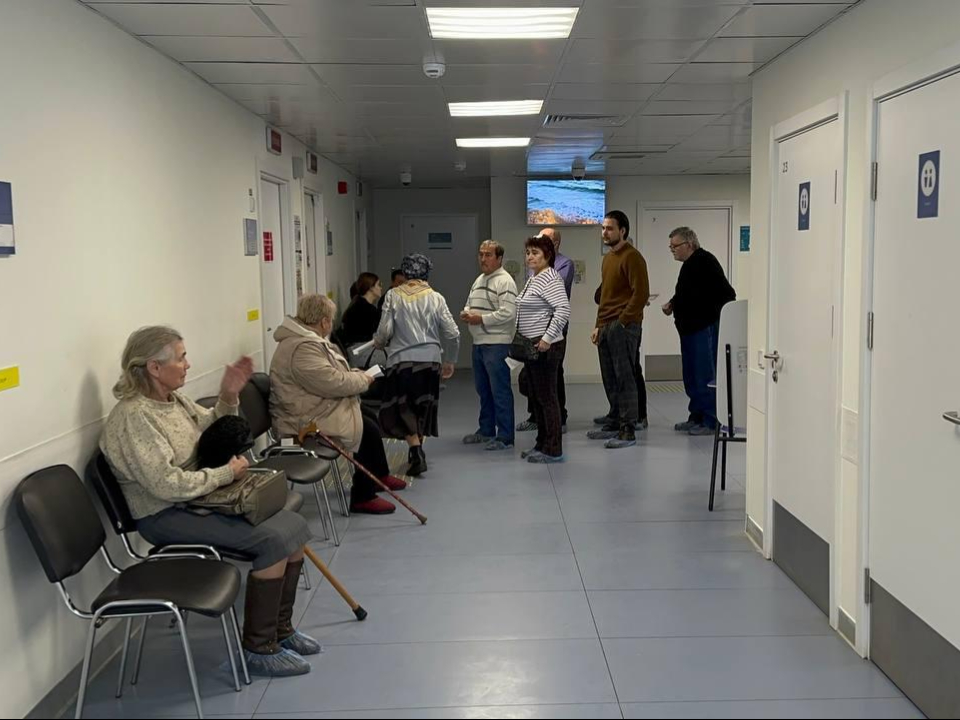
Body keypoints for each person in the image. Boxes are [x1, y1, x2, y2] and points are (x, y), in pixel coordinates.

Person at [100, 326, 317, 677]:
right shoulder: (134, 417)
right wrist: (225, 474)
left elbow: (210, 427)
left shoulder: (172, 400)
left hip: (197, 498)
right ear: (154, 367)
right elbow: (166, 485)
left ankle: (281, 629)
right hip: (165, 514)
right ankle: (259, 647)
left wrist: (228, 395)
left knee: (294, 527)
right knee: (273, 541)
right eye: (181, 357)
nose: (188, 364)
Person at [269, 294, 407, 515]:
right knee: (364, 428)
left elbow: (330, 375)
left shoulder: (306, 341)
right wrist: (363, 380)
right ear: (324, 321)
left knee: (367, 415)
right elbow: (333, 383)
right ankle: (363, 496)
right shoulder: (302, 348)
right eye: (330, 320)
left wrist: (355, 374)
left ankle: (379, 475)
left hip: (313, 408)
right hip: (302, 422)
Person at [374, 253, 460, 476]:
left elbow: (385, 331)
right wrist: (450, 360)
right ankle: (416, 452)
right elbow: (453, 333)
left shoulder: (393, 295)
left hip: (401, 361)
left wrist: (379, 343)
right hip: (431, 361)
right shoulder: (436, 298)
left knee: (404, 407)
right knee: (423, 407)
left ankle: (415, 451)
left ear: (405, 272)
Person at [663, 226, 736, 435]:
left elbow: (727, 294)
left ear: (689, 244)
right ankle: (696, 415)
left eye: (675, 246)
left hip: (703, 329)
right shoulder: (689, 265)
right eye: (670, 247)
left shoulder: (705, 261)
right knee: (691, 375)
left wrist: (708, 317)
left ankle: (711, 420)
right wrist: (673, 303)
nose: (672, 250)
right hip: (688, 329)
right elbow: (687, 292)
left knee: (704, 375)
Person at [589, 211, 650, 449]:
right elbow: (605, 297)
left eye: (610, 228)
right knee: (610, 377)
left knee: (625, 378)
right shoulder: (608, 259)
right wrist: (598, 325)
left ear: (622, 231)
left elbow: (641, 294)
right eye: (603, 228)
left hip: (624, 327)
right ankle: (615, 420)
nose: (605, 232)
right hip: (606, 326)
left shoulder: (632, 257)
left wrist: (623, 322)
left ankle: (628, 430)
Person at [516, 235, 571, 463]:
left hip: (545, 347)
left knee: (547, 398)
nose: (530, 256)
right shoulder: (534, 277)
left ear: (547, 255)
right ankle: (541, 443)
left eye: (535, 252)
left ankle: (553, 449)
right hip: (532, 346)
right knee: (537, 396)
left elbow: (563, 309)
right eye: (528, 252)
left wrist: (548, 338)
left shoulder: (550, 277)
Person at [461, 240, 518, 451]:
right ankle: (486, 430)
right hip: (479, 343)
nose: (483, 259)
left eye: (488, 255)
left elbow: (508, 313)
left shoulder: (505, 281)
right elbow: (470, 303)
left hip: (497, 345)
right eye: (481, 254)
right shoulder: (479, 279)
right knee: (483, 390)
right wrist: (467, 313)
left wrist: (481, 319)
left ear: (499, 258)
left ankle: (505, 436)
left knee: (500, 391)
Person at [339, 272, 382, 348]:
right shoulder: (367, 310)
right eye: (378, 285)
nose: (380, 288)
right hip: (361, 349)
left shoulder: (358, 304)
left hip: (358, 348)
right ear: (371, 288)